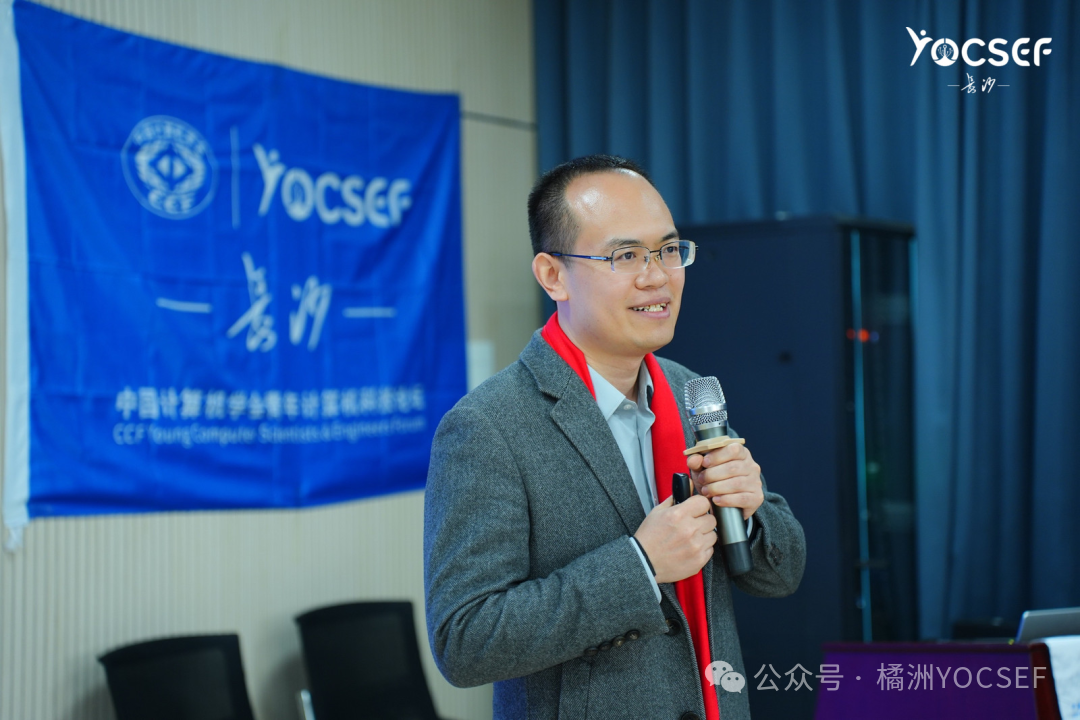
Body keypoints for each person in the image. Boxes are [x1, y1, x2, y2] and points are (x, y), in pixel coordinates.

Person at [424, 154, 806, 720]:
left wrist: (750, 512)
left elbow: (781, 575)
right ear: (553, 276)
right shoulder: (488, 426)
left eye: (669, 250)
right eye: (625, 256)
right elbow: (465, 641)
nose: (657, 276)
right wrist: (640, 565)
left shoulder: (688, 392)